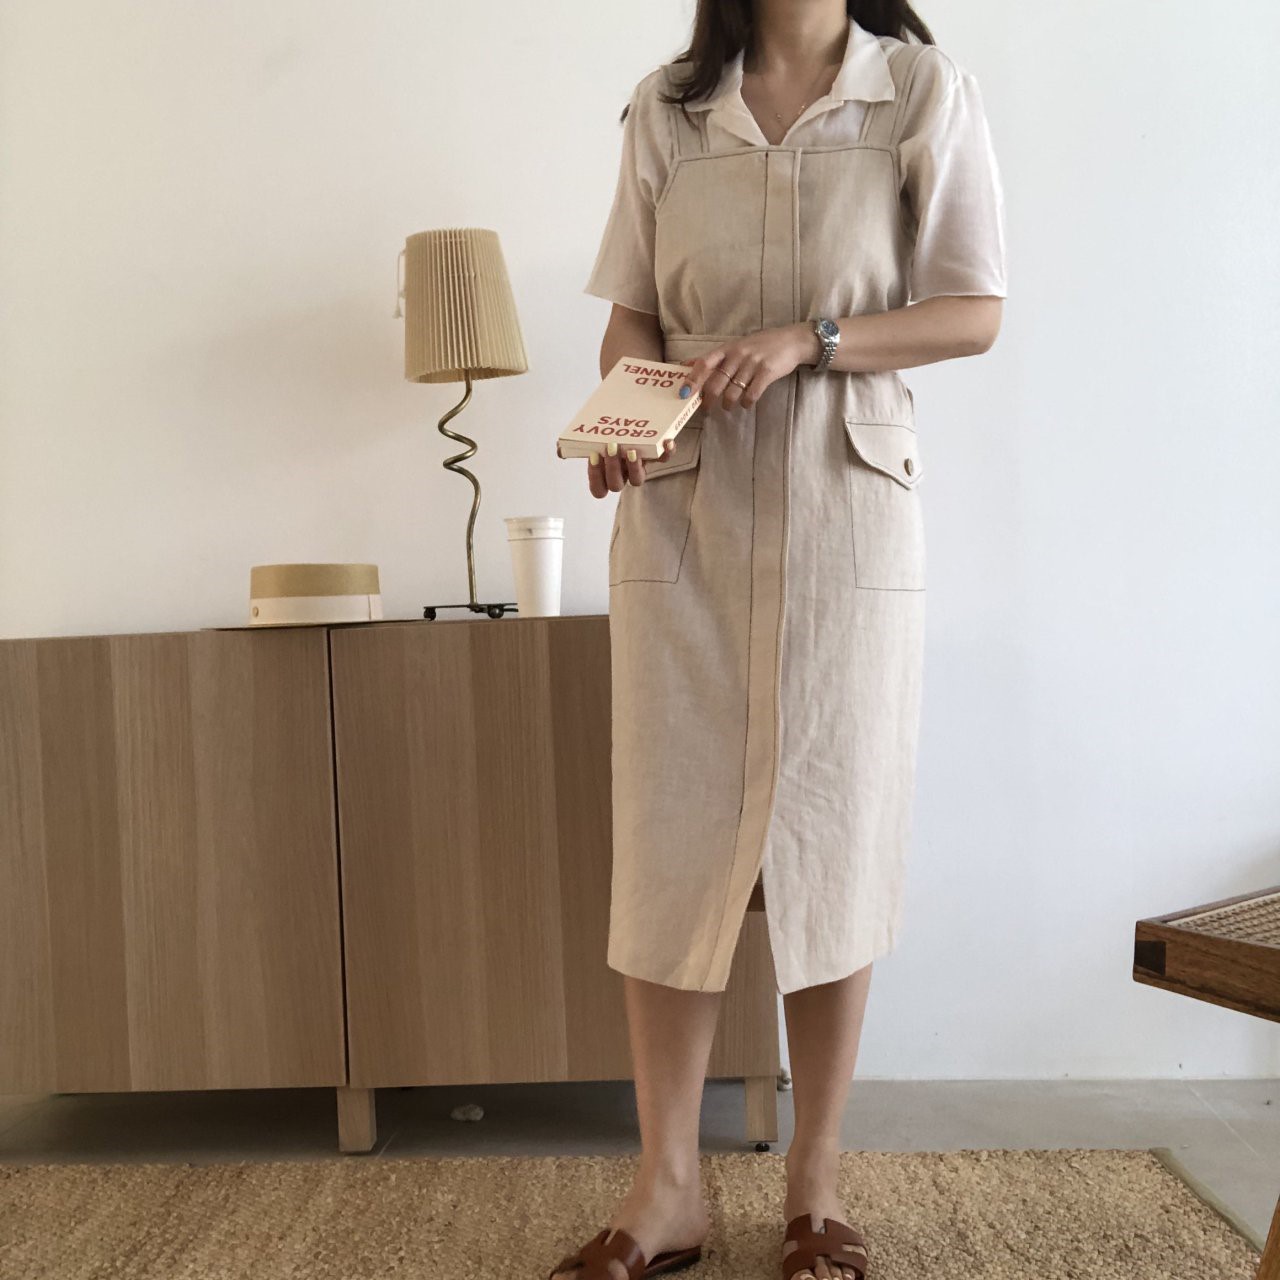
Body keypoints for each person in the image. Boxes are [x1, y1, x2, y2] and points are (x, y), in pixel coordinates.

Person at [550, 2, 1006, 1278]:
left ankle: (815, 1179)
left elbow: (971, 310)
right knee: (671, 841)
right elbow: (630, 313)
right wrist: (624, 416)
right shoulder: (668, 105)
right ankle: (667, 1189)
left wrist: (812, 340)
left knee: (828, 836)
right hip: (683, 510)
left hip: (845, 504)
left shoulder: (918, 91)